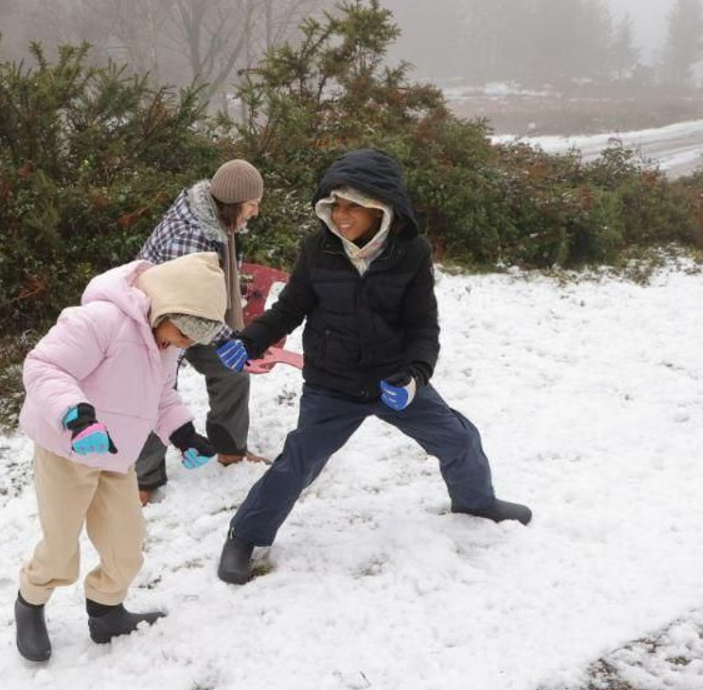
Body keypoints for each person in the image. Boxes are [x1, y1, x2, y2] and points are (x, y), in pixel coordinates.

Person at [215, 148, 530, 585]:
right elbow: (290, 309)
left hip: (393, 380)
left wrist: (415, 377)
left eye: (353, 207)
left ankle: (476, 501)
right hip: (333, 384)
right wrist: (249, 341)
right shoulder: (318, 248)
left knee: (458, 437)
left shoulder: (411, 252)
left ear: (381, 209)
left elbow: (423, 326)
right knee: (298, 462)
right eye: (335, 206)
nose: (341, 217)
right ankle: (244, 536)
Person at [14, 251, 230, 661]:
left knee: (125, 545)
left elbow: (161, 394)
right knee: (61, 547)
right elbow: (44, 366)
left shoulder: (163, 341)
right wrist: (76, 416)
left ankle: (106, 612)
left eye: (192, 339)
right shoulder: (100, 320)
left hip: (116, 458)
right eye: (184, 333)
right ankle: (30, 602)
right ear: (166, 306)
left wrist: (183, 434)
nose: (184, 344)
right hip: (66, 451)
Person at [134, 159, 267, 504]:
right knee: (157, 391)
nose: (255, 211)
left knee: (231, 369)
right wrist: (228, 338)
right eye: (252, 204)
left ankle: (230, 448)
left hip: (196, 310)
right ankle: (142, 480)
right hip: (158, 318)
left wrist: (235, 340)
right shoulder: (190, 237)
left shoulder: (216, 218)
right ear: (234, 203)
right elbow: (184, 310)